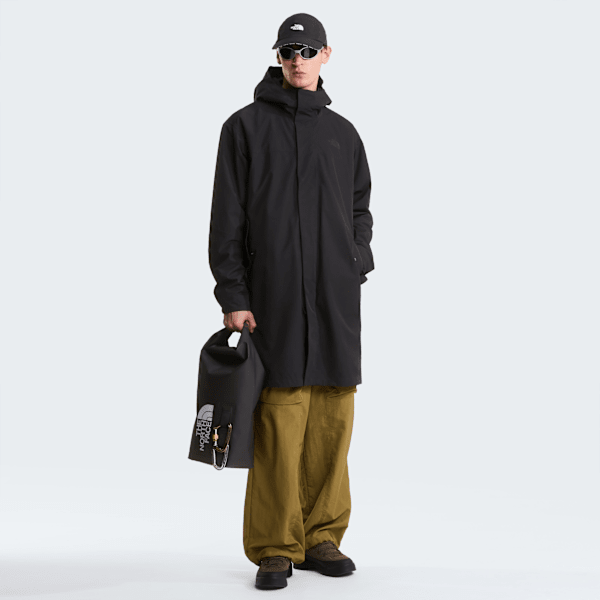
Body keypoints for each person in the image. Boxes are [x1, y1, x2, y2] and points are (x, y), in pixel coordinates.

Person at [208, 13, 374, 590]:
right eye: (287, 51)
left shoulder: (343, 133)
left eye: (306, 50)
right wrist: (233, 293)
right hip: (273, 300)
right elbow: (226, 218)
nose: (297, 60)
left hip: (334, 301)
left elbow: (360, 206)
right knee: (279, 422)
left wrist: (356, 259)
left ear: (326, 54)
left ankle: (322, 536)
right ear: (278, 57)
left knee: (332, 418)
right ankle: (276, 546)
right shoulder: (244, 128)